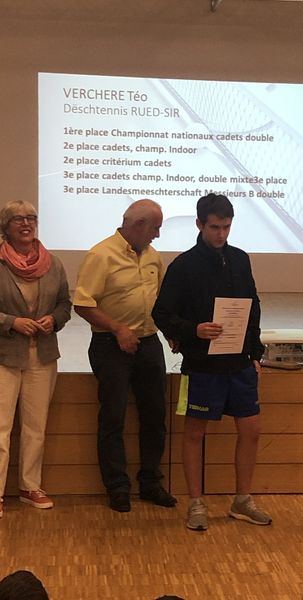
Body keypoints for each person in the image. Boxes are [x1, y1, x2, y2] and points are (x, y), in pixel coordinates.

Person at [152, 192, 271, 531]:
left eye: (227, 227)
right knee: (195, 433)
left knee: (252, 429)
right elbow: (161, 314)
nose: (221, 234)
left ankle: (242, 499)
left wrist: (255, 353)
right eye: (215, 227)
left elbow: (253, 307)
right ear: (199, 224)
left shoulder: (240, 259)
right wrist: (194, 330)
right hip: (202, 365)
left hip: (239, 363)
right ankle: (196, 503)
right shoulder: (183, 265)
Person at [73, 199, 176, 513]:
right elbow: (83, 304)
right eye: (156, 227)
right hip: (110, 345)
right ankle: (117, 487)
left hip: (149, 344)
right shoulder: (101, 255)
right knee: (113, 418)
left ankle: (151, 483)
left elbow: (161, 301)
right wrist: (118, 329)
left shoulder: (153, 257)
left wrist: (172, 331)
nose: (158, 234)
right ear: (139, 225)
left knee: (155, 416)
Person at [0, 201, 71, 518]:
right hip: (4, 355)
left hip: (42, 354)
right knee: (1, 428)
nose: (26, 223)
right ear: (6, 226)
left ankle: (30, 487)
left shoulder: (52, 263)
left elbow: (65, 304)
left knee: (35, 427)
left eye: (31, 218)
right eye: (18, 219)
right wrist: (11, 322)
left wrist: (54, 320)